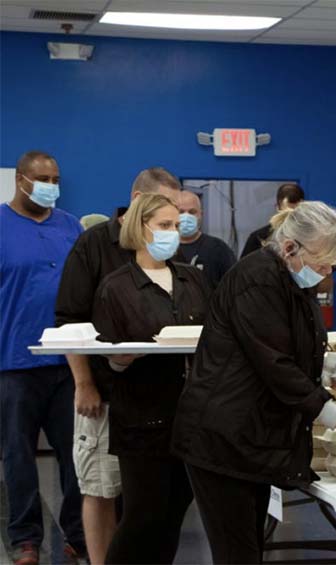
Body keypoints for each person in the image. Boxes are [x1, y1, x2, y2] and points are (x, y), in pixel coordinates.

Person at [171, 202, 336, 564]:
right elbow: (274, 364)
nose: (327, 274)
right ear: (290, 248)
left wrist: (332, 364)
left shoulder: (290, 279)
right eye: (322, 265)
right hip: (223, 437)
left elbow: (292, 344)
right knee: (238, 553)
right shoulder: (256, 279)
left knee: (249, 546)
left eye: (333, 266)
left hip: (250, 437)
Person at [55, 166, 181, 565]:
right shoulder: (94, 246)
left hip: (158, 401)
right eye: (165, 215)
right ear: (138, 202)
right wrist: (84, 383)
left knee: (147, 502)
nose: (173, 226)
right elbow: (70, 321)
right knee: (100, 487)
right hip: (106, 391)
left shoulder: (174, 262)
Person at [90, 193, 209, 563]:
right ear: (141, 229)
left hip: (190, 417)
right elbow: (102, 360)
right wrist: (120, 361)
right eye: (164, 225)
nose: (174, 232)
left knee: (175, 511)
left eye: (176, 225)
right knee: (143, 515)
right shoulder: (116, 287)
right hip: (141, 418)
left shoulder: (193, 280)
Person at [0, 151, 86, 565]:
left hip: (67, 363)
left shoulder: (70, 226)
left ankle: (79, 533)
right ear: (20, 180)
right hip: (13, 363)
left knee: (76, 456)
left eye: (55, 177)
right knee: (18, 456)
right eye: (42, 177)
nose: (51, 184)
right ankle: (25, 538)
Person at [176, 190, 237, 288]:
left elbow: (232, 286)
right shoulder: (164, 249)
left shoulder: (218, 249)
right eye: (181, 212)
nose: (186, 216)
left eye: (192, 212)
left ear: (201, 215)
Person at [240, 182, 304, 257]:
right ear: (277, 208)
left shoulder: (310, 237)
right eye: (286, 213)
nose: (290, 218)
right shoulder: (259, 238)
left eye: (295, 213)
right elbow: (245, 267)